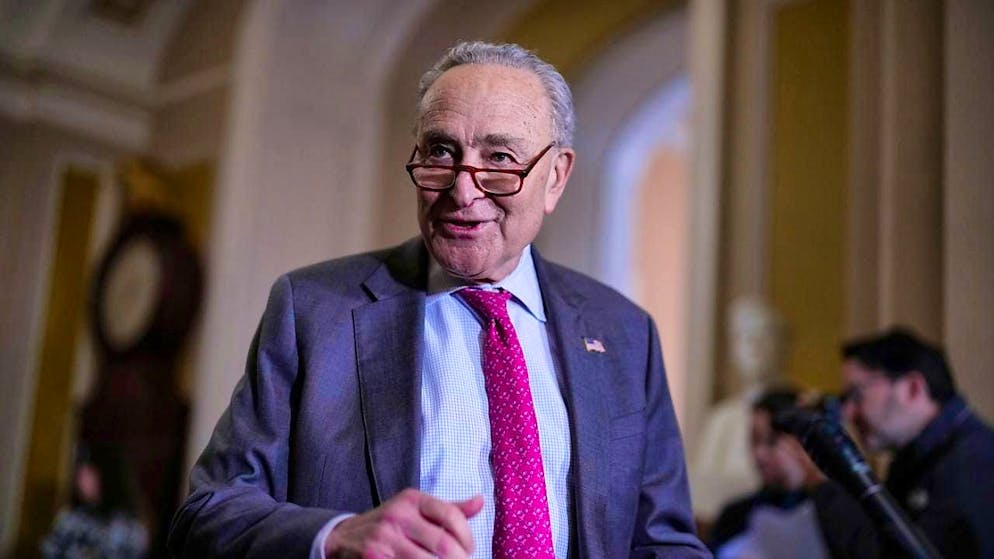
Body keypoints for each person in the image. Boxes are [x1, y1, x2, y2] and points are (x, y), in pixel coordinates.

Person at [167, 41, 708, 559]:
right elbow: (206, 516)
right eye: (441, 151)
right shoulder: (313, 311)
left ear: (555, 177)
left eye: (499, 158)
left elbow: (664, 543)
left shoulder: (623, 332)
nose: (463, 190)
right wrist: (336, 537)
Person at [840, 327, 994, 558]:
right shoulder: (916, 458)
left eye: (856, 395)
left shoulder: (973, 463)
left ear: (912, 388)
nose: (848, 413)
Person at [708, 389, 878, 559]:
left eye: (772, 441)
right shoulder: (736, 516)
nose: (759, 453)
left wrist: (812, 481)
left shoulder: (841, 509)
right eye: (754, 440)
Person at [690, 297, 790, 522]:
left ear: (782, 344)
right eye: (746, 338)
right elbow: (701, 490)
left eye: (764, 336)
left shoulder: (806, 411)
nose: (754, 347)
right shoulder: (721, 419)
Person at [41, 443, 148, 559]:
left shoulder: (130, 529)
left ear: (106, 475)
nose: (80, 479)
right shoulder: (70, 520)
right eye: (81, 472)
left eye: (88, 472)